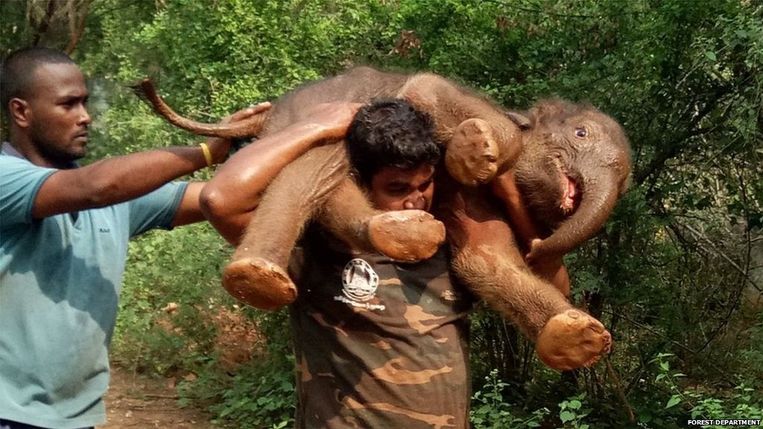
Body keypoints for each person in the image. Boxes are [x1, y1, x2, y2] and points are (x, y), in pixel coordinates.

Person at [0, 46, 352, 429]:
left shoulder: (115, 200)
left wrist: (279, 145)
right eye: (68, 105)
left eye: (85, 102)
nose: (85, 117)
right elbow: (95, 185)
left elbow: (218, 198)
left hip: (75, 417)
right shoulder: (9, 178)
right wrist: (206, 150)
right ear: (21, 112)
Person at [203, 98, 474, 428]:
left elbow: (552, 287)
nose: (416, 199)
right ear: (359, 181)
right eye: (397, 187)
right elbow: (220, 201)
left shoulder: (451, 239)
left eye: (425, 184)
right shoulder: (317, 243)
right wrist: (315, 128)